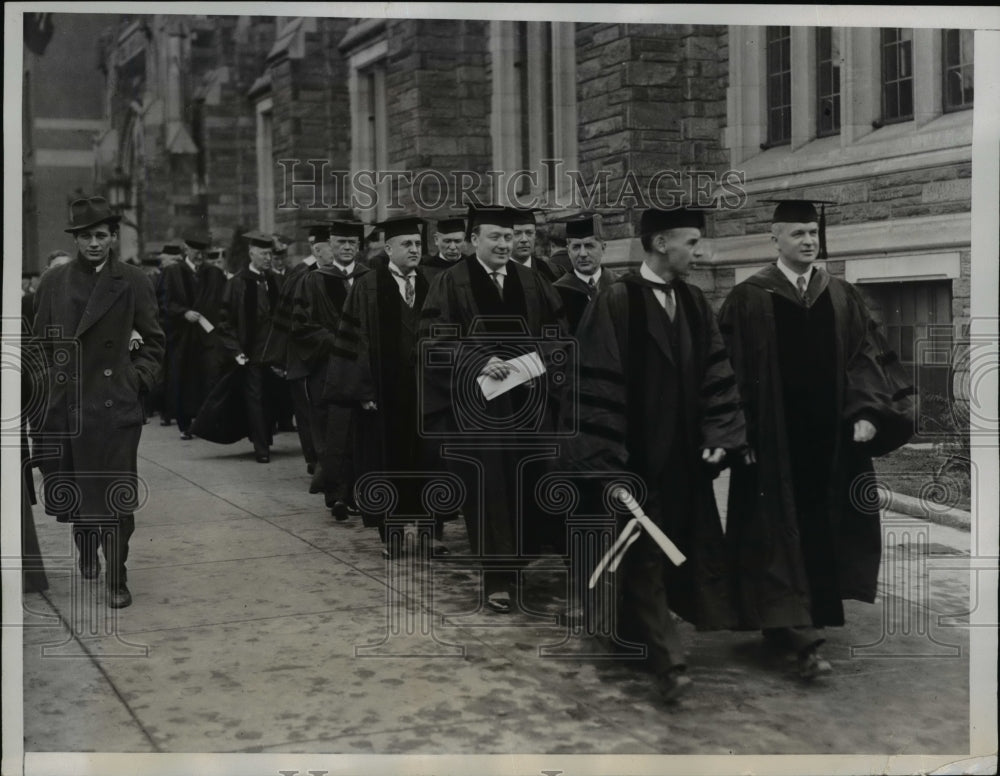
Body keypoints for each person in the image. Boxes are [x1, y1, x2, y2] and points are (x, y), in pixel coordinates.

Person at [718, 199, 915, 681]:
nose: (809, 241)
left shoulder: (842, 295)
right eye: (798, 234)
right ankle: (799, 636)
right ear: (775, 238)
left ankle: (792, 621)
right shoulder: (749, 298)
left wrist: (868, 412)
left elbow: (865, 359)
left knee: (819, 529)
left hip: (831, 442)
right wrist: (733, 432)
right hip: (772, 442)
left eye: (813, 233)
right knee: (775, 529)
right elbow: (726, 370)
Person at [566, 206, 746, 702]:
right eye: (692, 242)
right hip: (634, 462)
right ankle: (669, 662)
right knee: (642, 556)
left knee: (672, 553)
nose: (700, 251)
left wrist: (719, 435)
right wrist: (606, 462)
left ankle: (638, 640)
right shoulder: (616, 301)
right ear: (662, 242)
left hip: (685, 462)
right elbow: (592, 382)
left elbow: (716, 373)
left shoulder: (692, 301)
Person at [419, 205, 569, 613]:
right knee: (490, 489)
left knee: (531, 480)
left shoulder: (532, 281)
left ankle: (524, 564)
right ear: (473, 241)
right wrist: (477, 361)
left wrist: (538, 360)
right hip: (479, 409)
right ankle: (496, 578)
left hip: (530, 402)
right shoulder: (450, 282)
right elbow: (433, 339)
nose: (505, 244)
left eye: (509, 237)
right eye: (495, 237)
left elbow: (558, 333)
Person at [30, 196, 165, 608]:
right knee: (75, 486)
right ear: (76, 239)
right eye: (86, 236)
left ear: (112, 237)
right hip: (66, 405)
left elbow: (155, 343)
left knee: (115, 495)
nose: (94, 243)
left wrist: (135, 380)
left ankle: (117, 576)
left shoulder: (133, 280)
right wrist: (45, 389)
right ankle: (86, 548)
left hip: (115, 407)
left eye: (101, 235)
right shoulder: (54, 282)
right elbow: (38, 345)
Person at [324, 216, 451, 556]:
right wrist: (363, 391)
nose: (414, 249)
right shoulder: (368, 285)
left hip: (429, 393)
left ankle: (432, 531)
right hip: (384, 393)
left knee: (431, 461)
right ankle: (391, 533)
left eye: (417, 244)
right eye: (406, 244)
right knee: (386, 461)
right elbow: (354, 340)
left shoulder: (435, 281)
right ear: (388, 248)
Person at [292, 220, 369, 515]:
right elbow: (301, 327)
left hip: (362, 369)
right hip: (327, 368)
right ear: (330, 247)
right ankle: (335, 494)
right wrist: (336, 341)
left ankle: (356, 492)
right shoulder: (313, 280)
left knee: (360, 430)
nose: (347, 247)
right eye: (341, 243)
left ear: (358, 247)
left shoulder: (369, 278)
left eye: (352, 243)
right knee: (329, 430)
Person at [262, 223, 326, 473]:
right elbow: (284, 320)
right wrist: (281, 359)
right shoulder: (301, 274)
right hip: (304, 356)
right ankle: (314, 461)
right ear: (317, 248)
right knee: (308, 412)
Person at [216, 230, 281, 462]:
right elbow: (225, 322)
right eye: (263, 253)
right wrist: (236, 351)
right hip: (250, 353)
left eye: (269, 253)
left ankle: (264, 438)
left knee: (271, 399)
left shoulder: (275, 281)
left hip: (274, 353)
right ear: (251, 253)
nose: (267, 258)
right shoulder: (237, 284)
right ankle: (261, 449)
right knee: (255, 400)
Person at [160, 230, 219, 439]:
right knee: (183, 379)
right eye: (195, 251)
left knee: (207, 377)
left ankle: (204, 422)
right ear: (186, 249)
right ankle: (185, 424)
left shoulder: (214, 273)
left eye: (203, 251)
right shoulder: (172, 272)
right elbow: (166, 303)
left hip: (207, 336)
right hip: (183, 335)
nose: (199, 256)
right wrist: (183, 313)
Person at [551, 213, 619, 334]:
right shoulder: (556, 293)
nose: (582, 253)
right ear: (568, 251)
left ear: (603, 248)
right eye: (576, 247)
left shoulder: (620, 286)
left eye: (589, 246)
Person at [509, 208, 565, 283]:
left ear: (535, 235)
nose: (524, 240)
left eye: (529, 233)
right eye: (517, 233)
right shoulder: (498, 273)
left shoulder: (551, 271)